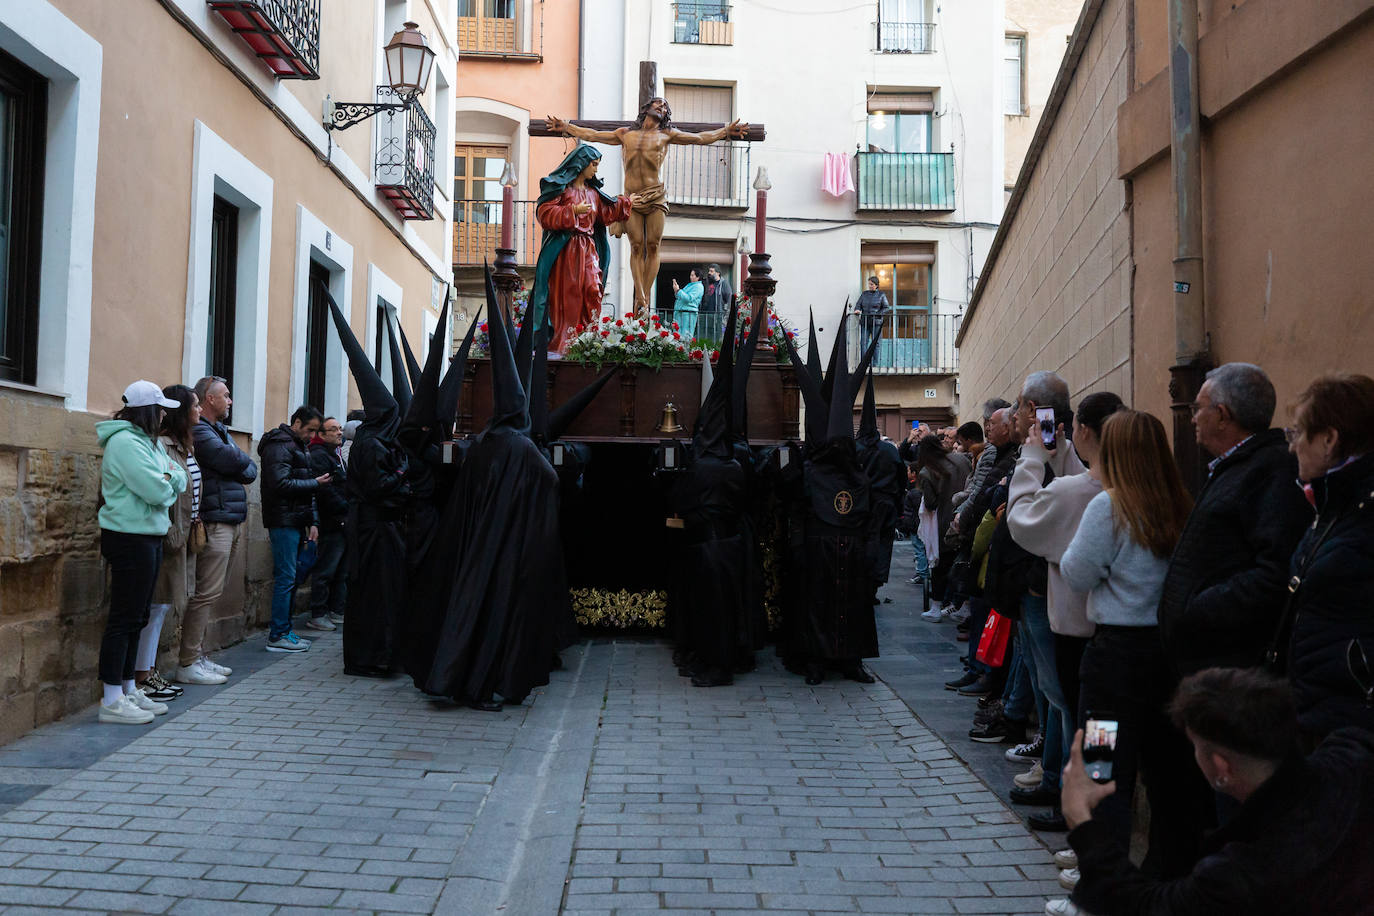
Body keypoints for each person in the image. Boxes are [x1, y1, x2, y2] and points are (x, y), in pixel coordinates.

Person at [1062, 667, 1374, 916]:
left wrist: (1081, 818)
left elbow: (1146, 905)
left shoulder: (1243, 873)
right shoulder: (1352, 756)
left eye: (1195, 747)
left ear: (1221, 767)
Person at [1060, 409, 1197, 882]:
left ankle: (1102, 883)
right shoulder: (1180, 503)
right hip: (1167, 658)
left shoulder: (1110, 506)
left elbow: (1077, 572)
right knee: (1166, 772)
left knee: (1101, 771)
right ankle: (1163, 878)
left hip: (1114, 663)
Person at [1159, 362, 1312, 675]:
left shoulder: (1270, 470)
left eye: (1197, 408)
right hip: (1208, 659)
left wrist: (1198, 608)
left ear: (1221, 415)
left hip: (1230, 667)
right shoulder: (1236, 467)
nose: (1192, 418)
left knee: (1101, 724)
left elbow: (1275, 571)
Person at [547, 99, 749, 313]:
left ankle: (644, 297)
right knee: (636, 246)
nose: (662, 107)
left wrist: (726, 131)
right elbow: (594, 135)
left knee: (653, 246)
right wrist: (568, 127)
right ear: (646, 109)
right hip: (632, 198)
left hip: (655, 196)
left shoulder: (667, 135)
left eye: (665, 107)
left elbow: (699, 138)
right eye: (658, 104)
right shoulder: (625, 134)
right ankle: (640, 295)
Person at [999, 371, 1091, 831]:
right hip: (1109, 645)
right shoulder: (1106, 490)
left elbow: (1026, 521)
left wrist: (1034, 460)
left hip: (1091, 638)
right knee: (1092, 727)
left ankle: (1088, 826)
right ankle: (1089, 826)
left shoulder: (1085, 491)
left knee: (1090, 727)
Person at [1275, 374, 1374, 743]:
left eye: (1297, 433)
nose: (1291, 447)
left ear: (1329, 439)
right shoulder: (1332, 504)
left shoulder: (1361, 513)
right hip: (1318, 710)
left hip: (1349, 725)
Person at [95, 381, 187, 724]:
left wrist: (167, 478)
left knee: (138, 616)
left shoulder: (148, 444)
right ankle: (111, 698)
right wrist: (167, 480)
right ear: (148, 410)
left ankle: (130, 687)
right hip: (128, 537)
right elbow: (156, 491)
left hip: (147, 535)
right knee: (123, 617)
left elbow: (178, 477)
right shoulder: (124, 443)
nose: (164, 414)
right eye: (160, 408)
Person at [179, 376, 256, 686]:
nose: (230, 401)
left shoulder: (220, 431)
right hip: (214, 519)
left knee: (212, 592)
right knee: (205, 593)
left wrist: (240, 462)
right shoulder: (200, 431)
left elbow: (249, 468)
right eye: (226, 395)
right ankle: (187, 661)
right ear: (209, 399)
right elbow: (231, 460)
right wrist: (240, 461)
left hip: (229, 517)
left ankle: (198, 655)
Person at [530, 144, 636, 353]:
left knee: (593, 290)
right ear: (581, 165)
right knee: (571, 296)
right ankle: (566, 342)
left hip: (588, 248)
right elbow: (545, 213)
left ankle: (587, 338)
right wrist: (572, 211)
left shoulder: (593, 193)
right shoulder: (563, 190)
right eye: (593, 165)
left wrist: (626, 203)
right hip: (567, 251)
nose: (596, 170)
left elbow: (605, 212)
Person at [137, 385, 202, 702]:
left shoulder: (184, 446)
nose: (199, 410)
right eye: (195, 405)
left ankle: (147, 672)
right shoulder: (162, 446)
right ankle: (141, 676)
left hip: (179, 537)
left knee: (160, 607)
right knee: (154, 606)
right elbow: (167, 490)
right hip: (166, 537)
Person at [257, 405, 327, 653]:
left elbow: (306, 492)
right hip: (283, 520)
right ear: (296, 423)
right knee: (286, 577)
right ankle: (278, 634)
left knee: (292, 575)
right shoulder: (280, 445)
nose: (312, 436)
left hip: (295, 519)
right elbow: (280, 483)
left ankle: (284, 631)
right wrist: (314, 483)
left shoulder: (297, 446)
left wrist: (314, 521)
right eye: (310, 430)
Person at [306, 417, 348, 631]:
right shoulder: (319, 456)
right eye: (334, 429)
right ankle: (318, 613)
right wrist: (345, 506)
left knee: (340, 569)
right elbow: (325, 491)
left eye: (340, 428)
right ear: (321, 435)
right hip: (331, 521)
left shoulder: (334, 455)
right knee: (326, 569)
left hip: (341, 521)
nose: (339, 432)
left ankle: (336, 609)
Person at [857, 276, 890, 355]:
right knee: (863, 343)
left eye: (871, 284)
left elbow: (886, 308)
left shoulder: (881, 295)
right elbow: (858, 304)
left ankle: (875, 364)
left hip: (876, 322)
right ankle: (864, 364)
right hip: (865, 322)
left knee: (876, 343)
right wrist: (857, 309)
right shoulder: (864, 294)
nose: (870, 286)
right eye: (869, 284)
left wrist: (877, 314)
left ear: (876, 285)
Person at [700, 263, 733, 341]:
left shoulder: (724, 284)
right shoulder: (706, 283)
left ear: (718, 273)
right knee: (705, 336)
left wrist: (726, 314)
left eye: (711, 271)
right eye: (709, 271)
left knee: (716, 336)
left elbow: (729, 299)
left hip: (717, 315)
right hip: (705, 314)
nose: (709, 273)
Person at [671, 267, 705, 340]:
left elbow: (688, 298)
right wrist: (676, 290)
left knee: (685, 335)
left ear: (698, 277)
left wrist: (678, 290)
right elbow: (680, 296)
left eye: (693, 275)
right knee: (677, 335)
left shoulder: (698, 287)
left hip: (688, 314)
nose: (690, 277)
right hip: (681, 312)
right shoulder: (690, 285)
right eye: (690, 275)